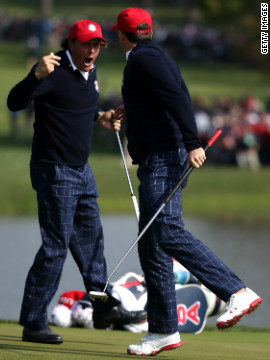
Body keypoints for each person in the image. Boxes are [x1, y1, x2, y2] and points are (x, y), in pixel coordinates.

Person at [111, 8, 263, 356]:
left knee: (166, 230)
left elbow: (178, 97)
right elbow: (160, 96)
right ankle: (163, 330)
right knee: (152, 244)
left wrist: (193, 142)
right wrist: (128, 107)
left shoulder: (144, 59)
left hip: (165, 156)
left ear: (121, 35)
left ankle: (235, 291)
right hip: (158, 157)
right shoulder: (149, 55)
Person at [7, 19, 146, 345]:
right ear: (71, 43)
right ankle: (33, 322)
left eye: (97, 45)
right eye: (86, 44)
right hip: (54, 170)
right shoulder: (51, 70)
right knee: (56, 247)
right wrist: (33, 76)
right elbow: (14, 102)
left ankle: (102, 305)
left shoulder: (90, 72)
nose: (93, 51)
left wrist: (101, 117)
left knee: (91, 239)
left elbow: (79, 105)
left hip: (81, 169)